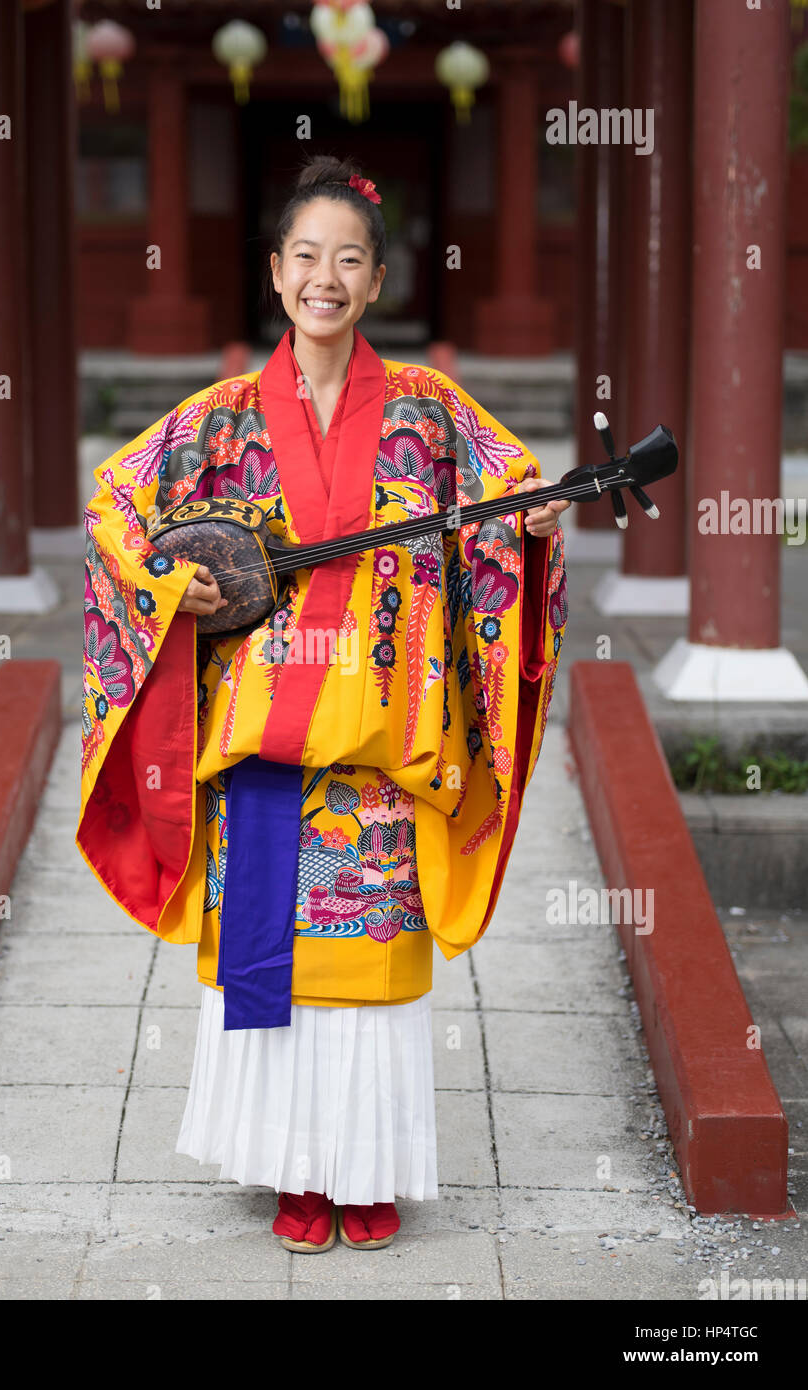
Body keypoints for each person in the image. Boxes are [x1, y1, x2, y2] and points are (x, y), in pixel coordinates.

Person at [76, 155, 570, 1254]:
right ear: (275, 272)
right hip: (266, 737)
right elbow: (114, 509)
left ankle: (370, 1167)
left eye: (348, 259)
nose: (325, 277)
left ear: (378, 281)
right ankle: (298, 1171)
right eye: (306, 257)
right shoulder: (216, 421)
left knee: (371, 971)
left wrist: (526, 536)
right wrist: (172, 589)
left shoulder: (430, 414)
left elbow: (514, 490)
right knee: (273, 967)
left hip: (383, 736)